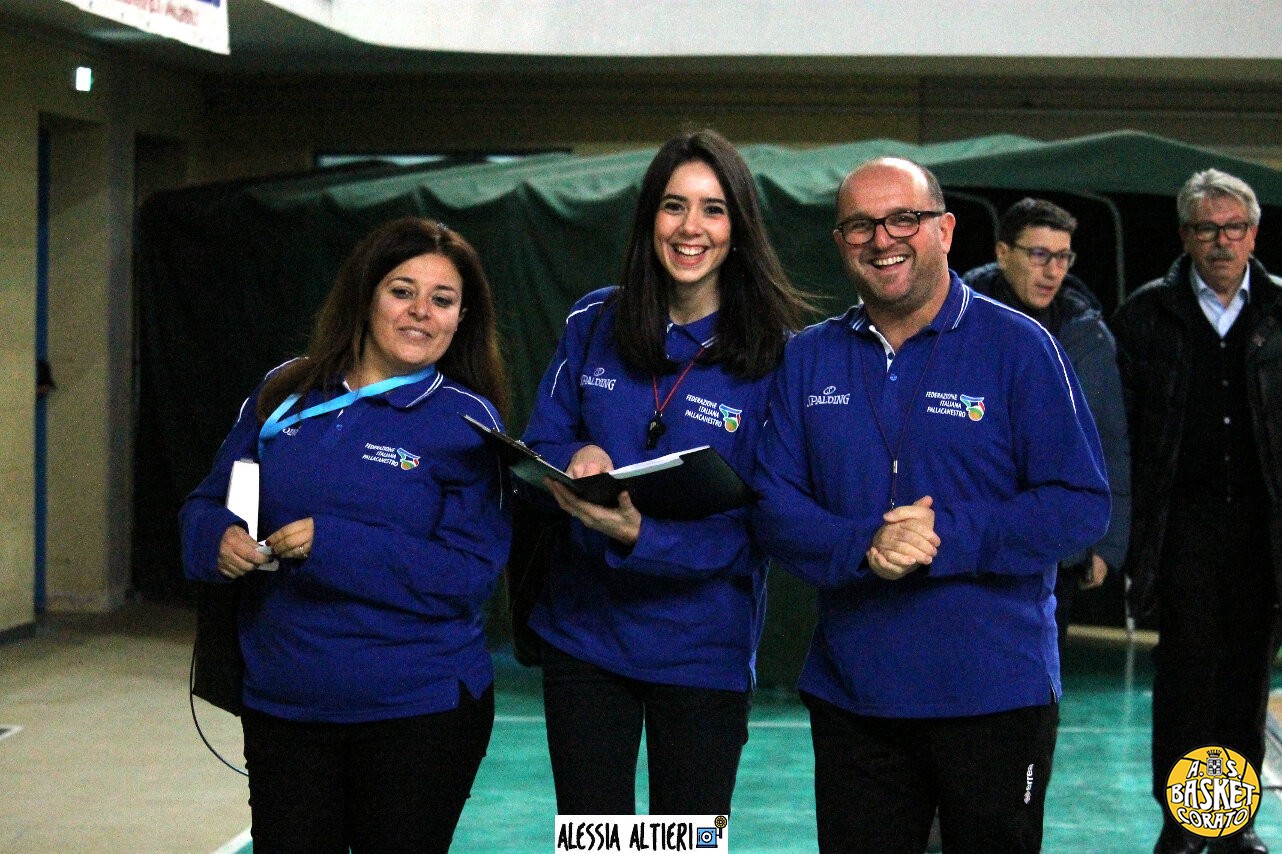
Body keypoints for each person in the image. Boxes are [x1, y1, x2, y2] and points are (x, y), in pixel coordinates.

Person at [753, 157, 1110, 853]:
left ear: (944, 230)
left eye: (904, 219)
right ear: (840, 243)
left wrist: (947, 534)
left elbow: (1080, 504)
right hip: (855, 699)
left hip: (995, 696)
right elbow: (772, 503)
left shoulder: (1021, 348)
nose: (882, 239)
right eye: (860, 225)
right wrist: (865, 545)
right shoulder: (809, 359)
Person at [179, 217, 511, 853]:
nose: (421, 312)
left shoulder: (469, 421)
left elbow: (469, 572)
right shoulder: (285, 391)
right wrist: (215, 536)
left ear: (461, 319)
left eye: (442, 300)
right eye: (402, 291)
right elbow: (206, 501)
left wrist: (333, 545)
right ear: (365, 296)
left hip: (418, 709)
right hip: (283, 704)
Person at [520, 128, 812, 815]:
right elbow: (543, 438)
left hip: (703, 651)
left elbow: (763, 523)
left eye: (713, 209)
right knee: (593, 841)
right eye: (674, 205)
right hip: (584, 638)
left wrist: (641, 536)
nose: (690, 228)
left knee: (690, 842)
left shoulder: (779, 357)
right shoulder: (594, 319)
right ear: (649, 217)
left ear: (739, 228)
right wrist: (575, 456)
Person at [1112, 169, 1282, 854]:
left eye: (1233, 228)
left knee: (1245, 678)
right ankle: (1184, 824)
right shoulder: (1146, 314)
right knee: (1185, 677)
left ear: (1254, 234)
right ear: (1185, 235)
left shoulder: (1280, 309)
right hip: (1180, 526)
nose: (1221, 241)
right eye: (1207, 229)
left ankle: (1231, 823)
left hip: (1263, 528)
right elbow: (1121, 434)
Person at [963, 198, 1131, 651]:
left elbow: (1109, 440)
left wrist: (1107, 542)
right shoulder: (955, 324)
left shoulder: (1088, 333)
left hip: (1056, 546)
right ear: (1003, 253)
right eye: (1039, 255)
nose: (1052, 271)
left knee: (1041, 677)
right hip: (971, 539)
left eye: (1063, 257)